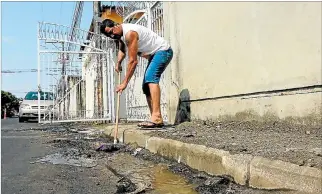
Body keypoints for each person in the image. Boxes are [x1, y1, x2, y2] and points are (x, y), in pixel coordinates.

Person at [100, 19, 173, 128]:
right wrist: (118, 62)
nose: (112, 36)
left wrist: (124, 83)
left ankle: (157, 117)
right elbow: (122, 50)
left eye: (111, 32)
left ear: (116, 25)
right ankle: (155, 118)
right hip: (154, 54)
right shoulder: (120, 35)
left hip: (163, 51)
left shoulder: (130, 33)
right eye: (108, 35)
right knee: (146, 86)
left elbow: (133, 61)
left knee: (151, 77)